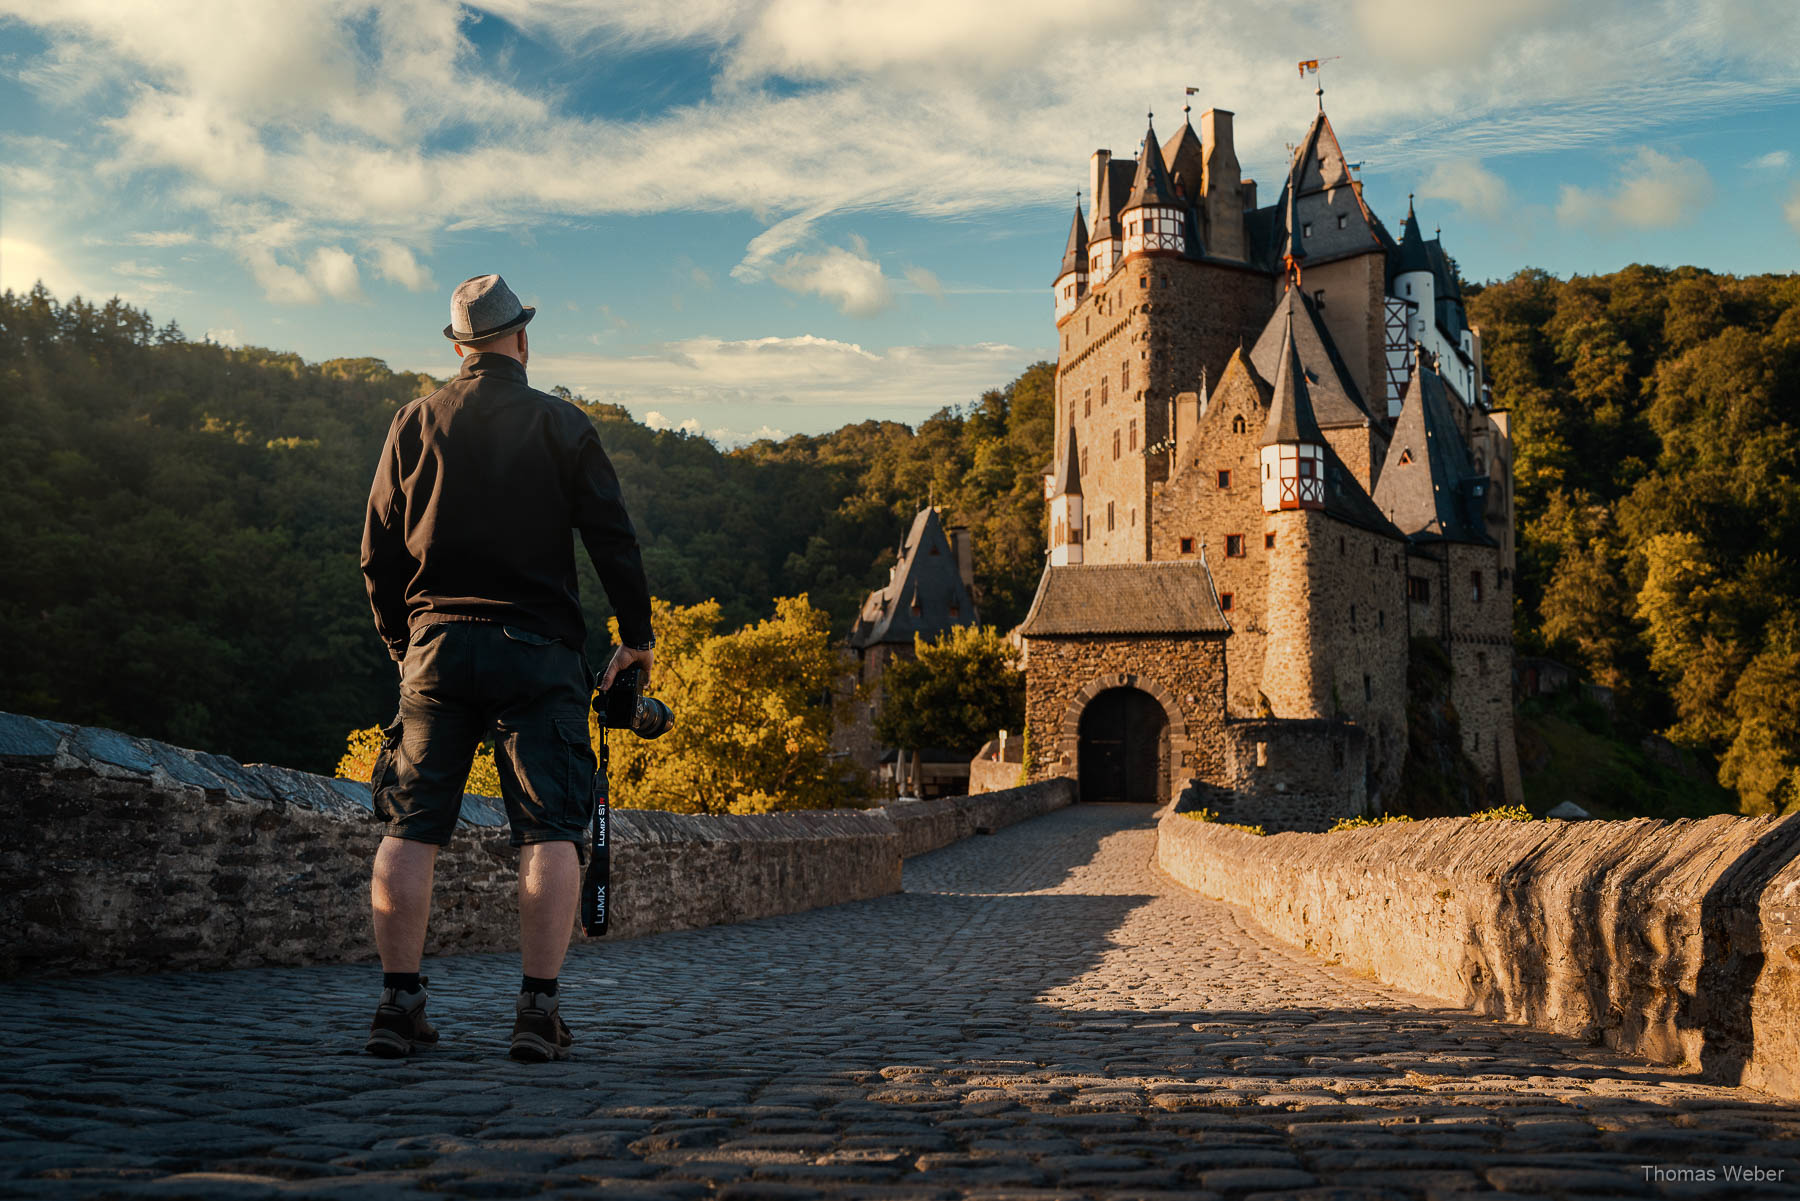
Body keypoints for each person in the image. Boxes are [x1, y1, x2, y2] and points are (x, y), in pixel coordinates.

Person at [359, 273, 654, 1062]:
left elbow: (377, 553)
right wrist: (636, 636)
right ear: (521, 339)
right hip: (539, 652)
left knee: (411, 826)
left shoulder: (413, 422)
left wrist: (404, 645)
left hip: (438, 648)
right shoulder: (563, 425)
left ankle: (398, 1003)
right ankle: (536, 1012)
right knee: (550, 830)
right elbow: (612, 538)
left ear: (458, 347)